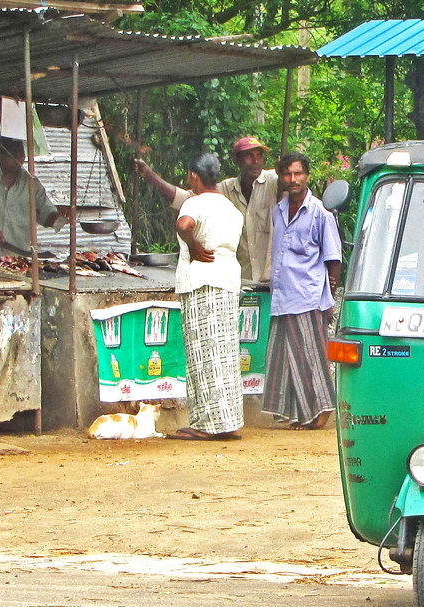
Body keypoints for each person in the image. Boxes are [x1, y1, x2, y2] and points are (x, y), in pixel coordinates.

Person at [168, 152, 245, 441]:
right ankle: (229, 420)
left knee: (203, 352)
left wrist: (194, 245)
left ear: (194, 176)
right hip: (226, 280)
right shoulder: (230, 207)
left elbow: (184, 225)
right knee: (224, 352)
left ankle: (206, 423)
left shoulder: (194, 202)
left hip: (202, 281)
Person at [263, 151, 342, 429]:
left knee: (311, 357)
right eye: (288, 174)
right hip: (283, 296)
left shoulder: (320, 212)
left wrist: (329, 298)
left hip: (308, 296)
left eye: (298, 173)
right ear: (281, 177)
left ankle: (322, 410)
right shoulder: (279, 211)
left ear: (308, 176)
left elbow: (333, 259)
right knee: (285, 359)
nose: (293, 179)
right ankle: (300, 413)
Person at [134, 136, 278, 282]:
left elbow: (183, 225)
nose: (256, 161)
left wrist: (192, 245)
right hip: (240, 281)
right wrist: (148, 174)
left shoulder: (273, 182)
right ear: (237, 159)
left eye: (259, 155)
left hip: (271, 283)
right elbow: (183, 198)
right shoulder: (226, 190)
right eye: (249, 155)